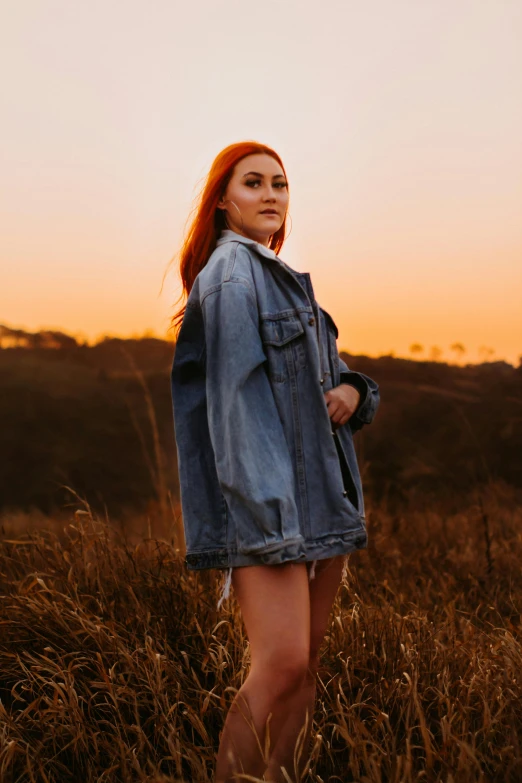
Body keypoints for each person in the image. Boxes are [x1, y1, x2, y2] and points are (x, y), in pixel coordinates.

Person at [169, 141, 380, 782]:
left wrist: (355, 390)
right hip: (271, 506)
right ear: (223, 201)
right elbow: (234, 407)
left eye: (280, 185)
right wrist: (269, 513)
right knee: (281, 664)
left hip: (321, 497)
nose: (270, 195)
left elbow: (327, 381)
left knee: (305, 667)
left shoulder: (276, 275)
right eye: (254, 183)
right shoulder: (232, 278)